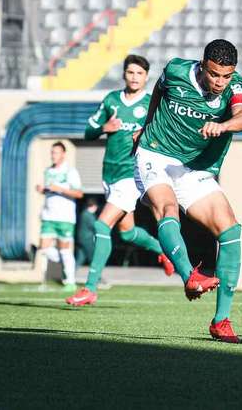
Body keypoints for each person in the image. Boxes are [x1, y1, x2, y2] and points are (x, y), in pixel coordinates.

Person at [133, 39, 242, 343]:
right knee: (167, 207)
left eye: (226, 76)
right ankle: (190, 276)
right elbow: (158, 92)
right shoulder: (175, 70)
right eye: (214, 74)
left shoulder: (236, 87)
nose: (220, 82)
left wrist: (223, 127)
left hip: (194, 168)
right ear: (202, 66)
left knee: (230, 230)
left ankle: (221, 321)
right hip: (155, 154)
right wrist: (146, 127)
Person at [67, 55, 174, 306]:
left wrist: (145, 134)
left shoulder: (151, 104)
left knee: (101, 226)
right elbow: (88, 131)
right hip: (109, 173)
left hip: (131, 174)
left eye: (139, 73)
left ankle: (91, 287)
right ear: (124, 75)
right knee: (126, 233)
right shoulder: (111, 101)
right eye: (130, 72)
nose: (134, 77)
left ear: (146, 77)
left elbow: (164, 134)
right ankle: (164, 252)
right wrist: (105, 127)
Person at [36, 141, 84, 291]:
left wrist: (59, 188)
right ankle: (64, 263)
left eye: (56, 152)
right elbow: (50, 190)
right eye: (52, 152)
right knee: (44, 248)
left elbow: (79, 193)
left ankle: (70, 281)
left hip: (65, 217)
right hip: (48, 216)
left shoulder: (70, 171)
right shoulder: (48, 171)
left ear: (63, 154)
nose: (53, 155)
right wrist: (42, 189)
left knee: (65, 250)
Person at [74, 199, 98, 267]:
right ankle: (95, 275)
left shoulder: (83, 213)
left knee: (80, 258)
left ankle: (69, 274)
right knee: (93, 256)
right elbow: (94, 226)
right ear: (93, 206)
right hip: (87, 239)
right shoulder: (88, 215)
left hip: (81, 238)